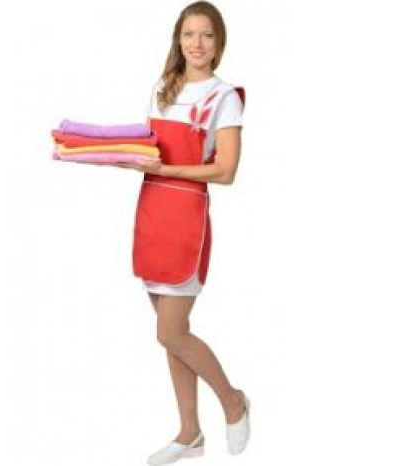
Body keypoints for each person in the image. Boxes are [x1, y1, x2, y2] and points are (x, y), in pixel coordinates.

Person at [113, 2, 250, 464]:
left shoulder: (224, 97)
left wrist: (166, 169)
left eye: (207, 35)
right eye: (189, 34)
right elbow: (149, 149)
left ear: (219, 43)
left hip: (187, 217)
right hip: (151, 212)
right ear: (178, 39)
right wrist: (117, 155)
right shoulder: (163, 89)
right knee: (174, 335)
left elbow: (226, 170)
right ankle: (190, 433)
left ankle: (233, 401)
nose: (197, 44)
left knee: (170, 333)